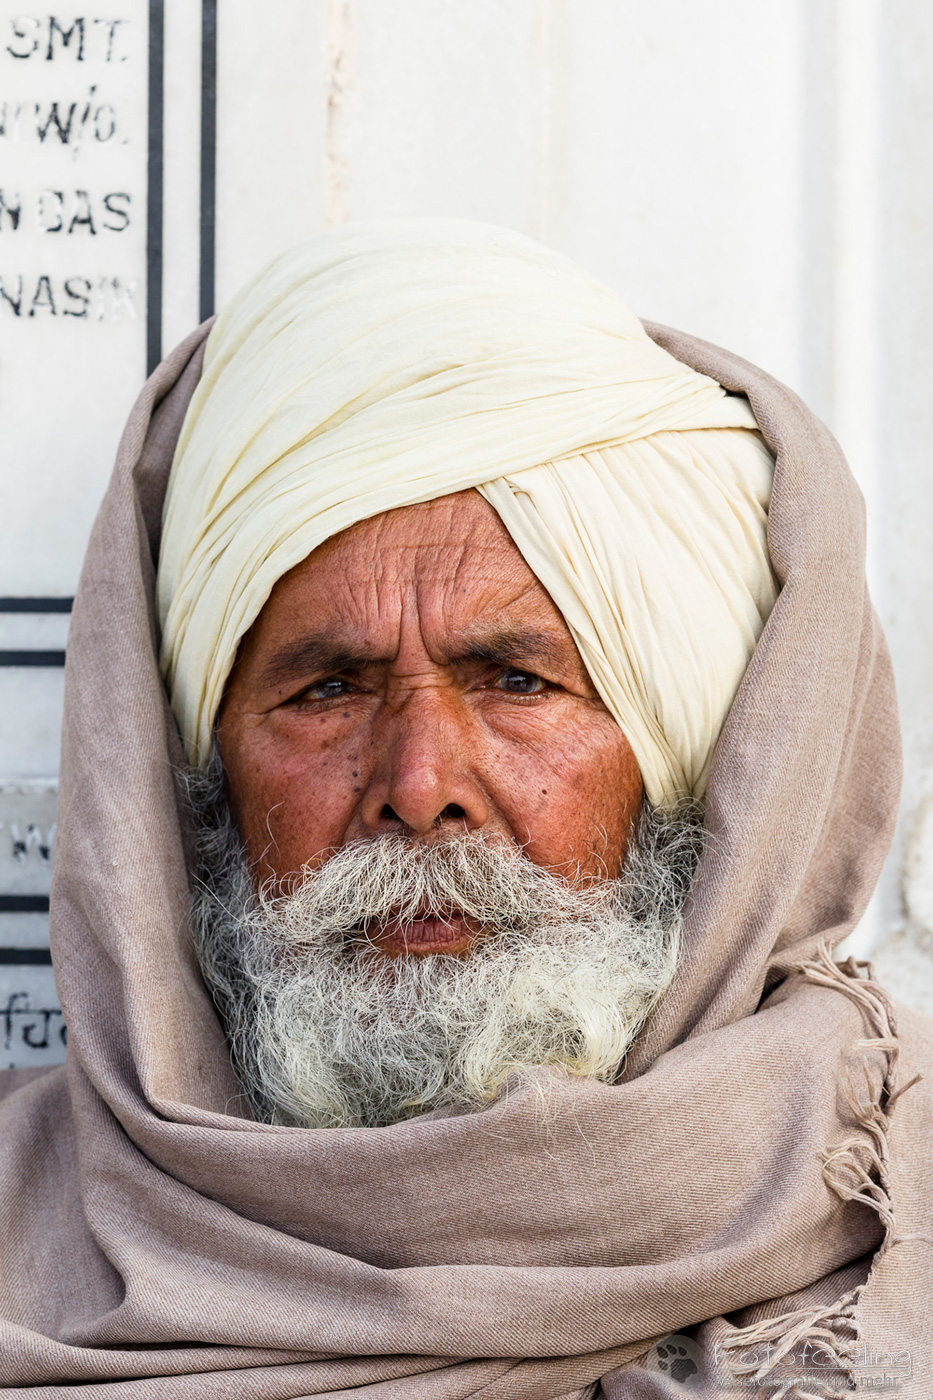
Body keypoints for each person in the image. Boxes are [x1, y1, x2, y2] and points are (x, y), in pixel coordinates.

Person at [0, 220, 930, 1398]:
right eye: (327, 688)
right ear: (192, 779)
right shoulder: (21, 1248)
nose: (419, 782)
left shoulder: (893, 1223)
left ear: (693, 761)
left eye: (518, 680)